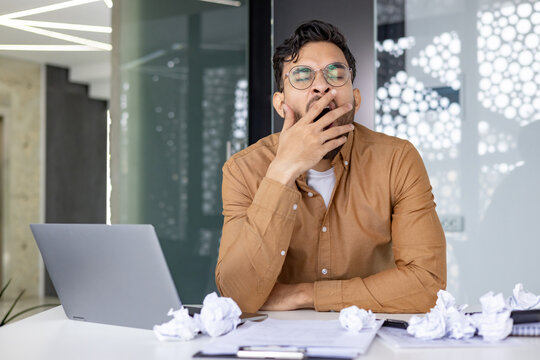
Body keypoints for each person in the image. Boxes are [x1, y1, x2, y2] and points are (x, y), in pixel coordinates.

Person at [215, 20, 446, 313]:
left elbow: (428, 285)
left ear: (356, 99)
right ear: (280, 103)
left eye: (336, 74)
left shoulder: (397, 159)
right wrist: (282, 171)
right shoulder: (243, 170)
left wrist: (304, 296)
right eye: (302, 75)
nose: (322, 85)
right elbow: (236, 297)